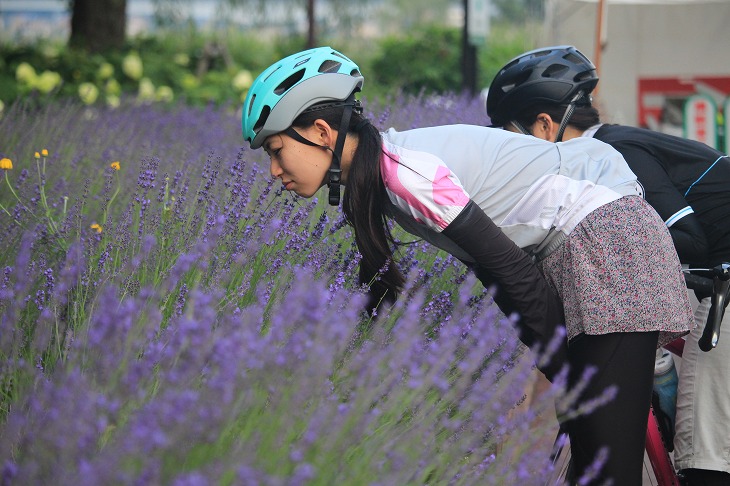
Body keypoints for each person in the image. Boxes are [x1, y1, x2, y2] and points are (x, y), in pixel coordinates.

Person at [241, 46, 694, 485]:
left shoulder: (406, 174)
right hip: (581, 251)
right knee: (590, 451)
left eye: (276, 149)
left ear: (321, 132)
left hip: (606, 248)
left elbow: (507, 270)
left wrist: (564, 367)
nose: (274, 170)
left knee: (607, 469)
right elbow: (492, 270)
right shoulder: (381, 178)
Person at [486, 44, 730, 485]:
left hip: (721, 283)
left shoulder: (613, 151)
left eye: (512, 139)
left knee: (703, 451)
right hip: (713, 281)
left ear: (544, 125)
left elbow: (689, 242)